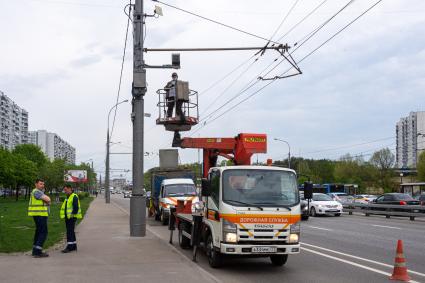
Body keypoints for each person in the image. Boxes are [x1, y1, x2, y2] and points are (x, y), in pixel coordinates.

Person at [28, 179, 51, 258]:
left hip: (39, 214)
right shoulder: (36, 192)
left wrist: (46, 200)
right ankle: (38, 252)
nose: (42, 185)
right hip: (39, 214)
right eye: (40, 184)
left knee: (38, 232)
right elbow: (48, 200)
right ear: (36, 184)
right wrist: (47, 199)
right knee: (43, 232)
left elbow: (47, 201)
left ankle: (35, 251)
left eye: (43, 184)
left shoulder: (39, 192)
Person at [60, 184, 82, 253]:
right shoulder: (68, 197)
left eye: (66, 190)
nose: (65, 191)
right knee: (71, 232)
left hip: (71, 218)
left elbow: (76, 208)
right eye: (64, 190)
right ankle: (74, 245)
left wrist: (71, 215)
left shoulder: (74, 196)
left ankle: (69, 247)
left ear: (70, 189)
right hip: (68, 217)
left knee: (69, 232)